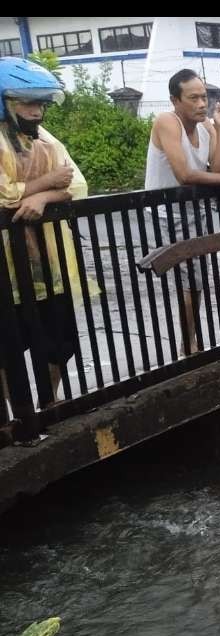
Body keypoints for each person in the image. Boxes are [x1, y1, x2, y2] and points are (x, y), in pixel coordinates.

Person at [0, 57, 87, 407]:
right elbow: (2, 194)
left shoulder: (46, 141)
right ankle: (8, 425)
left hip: (48, 265)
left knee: (59, 340)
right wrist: (49, 182)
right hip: (4, 269)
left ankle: (48, 407)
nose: (37, 112)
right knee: (6, 347)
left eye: (41, 103)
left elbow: (77, 184)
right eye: (28, 103)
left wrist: (43, 195)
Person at [145, 69, 220, 355]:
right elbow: (185, 174)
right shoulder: (166, 122)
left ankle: (188, 341)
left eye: (204, 97)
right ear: (176, 100)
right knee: (188, 281)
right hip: (166, 214)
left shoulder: (205, 127)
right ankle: (189, 345)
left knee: (196, 282)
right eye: (193, 98)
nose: (202, 104)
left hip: (194, 213)